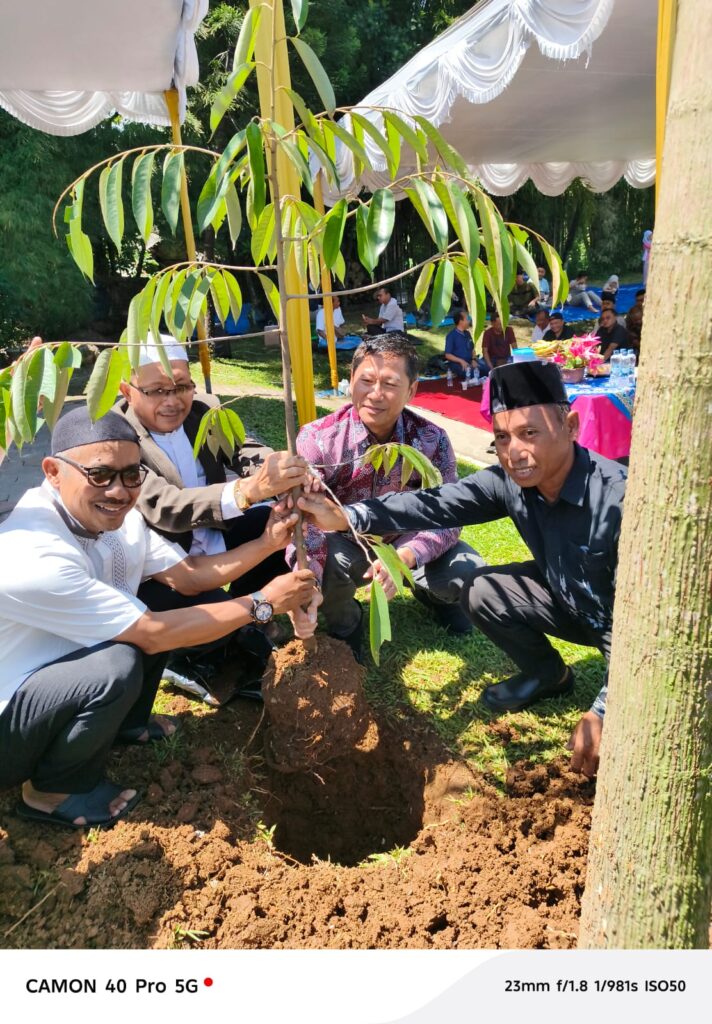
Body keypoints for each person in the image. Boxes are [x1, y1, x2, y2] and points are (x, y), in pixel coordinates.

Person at [299, 361, 625, 779]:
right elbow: (431, 504)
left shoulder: (616, 499)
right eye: (502, 438)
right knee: (482, 589)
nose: (515, 453)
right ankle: (548, 675)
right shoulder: (510, 482)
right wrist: (346, 517)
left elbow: (648, 630)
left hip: (623, 627)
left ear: (571, 426)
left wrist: (604, 710)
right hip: (567, 602)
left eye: (530, 434)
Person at [0, 407, 317, 830]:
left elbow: (189, 578)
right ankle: (51, 793)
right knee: (116, 663)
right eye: (100, 475)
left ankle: (126, 725)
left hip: (53, 673)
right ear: (54, 471)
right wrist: (262, 602)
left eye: (132, 475)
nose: (118, 491)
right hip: (9, 718)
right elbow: (150, 634)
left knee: (154, 602)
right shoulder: (33, 552)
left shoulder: (117, 520)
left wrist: (265, 543)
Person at [114, 337, 313, 697]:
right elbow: (165, 505)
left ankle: (241, 620)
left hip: (216, 534)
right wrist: (246, 491)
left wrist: (276, 468)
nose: (172, 401)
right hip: (166, 563)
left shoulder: (206, 411)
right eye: (157, 390)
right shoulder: (117, 437)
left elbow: (246, 449)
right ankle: (188, 655)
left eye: (181, 387)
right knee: (205, 612)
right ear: (127, 390)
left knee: (278, 528)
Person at [293, 334, 484, 659]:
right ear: (349, 380)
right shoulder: (318, 439)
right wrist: (307, 578)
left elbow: (449, 518)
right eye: (365, 380)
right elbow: (305, 523)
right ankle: (346, 623)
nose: (375, 394)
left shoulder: (430, 440)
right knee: (325, 560)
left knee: (468, 572)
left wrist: (406, 556)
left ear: (411, 389)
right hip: (347, 544)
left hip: (406, 541)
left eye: (390, 384)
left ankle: (434, 597)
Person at [444, 310, 486, 377]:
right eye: (467, 319)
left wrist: (473, 359)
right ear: (461, 321)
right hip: (457, 364)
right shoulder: (451, 336)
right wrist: (461, 361)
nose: (469, 321)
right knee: (473, 374)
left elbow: (472, 350)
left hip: (470, 361)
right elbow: (448, 355)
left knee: (487, 370)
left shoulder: (467, 333)